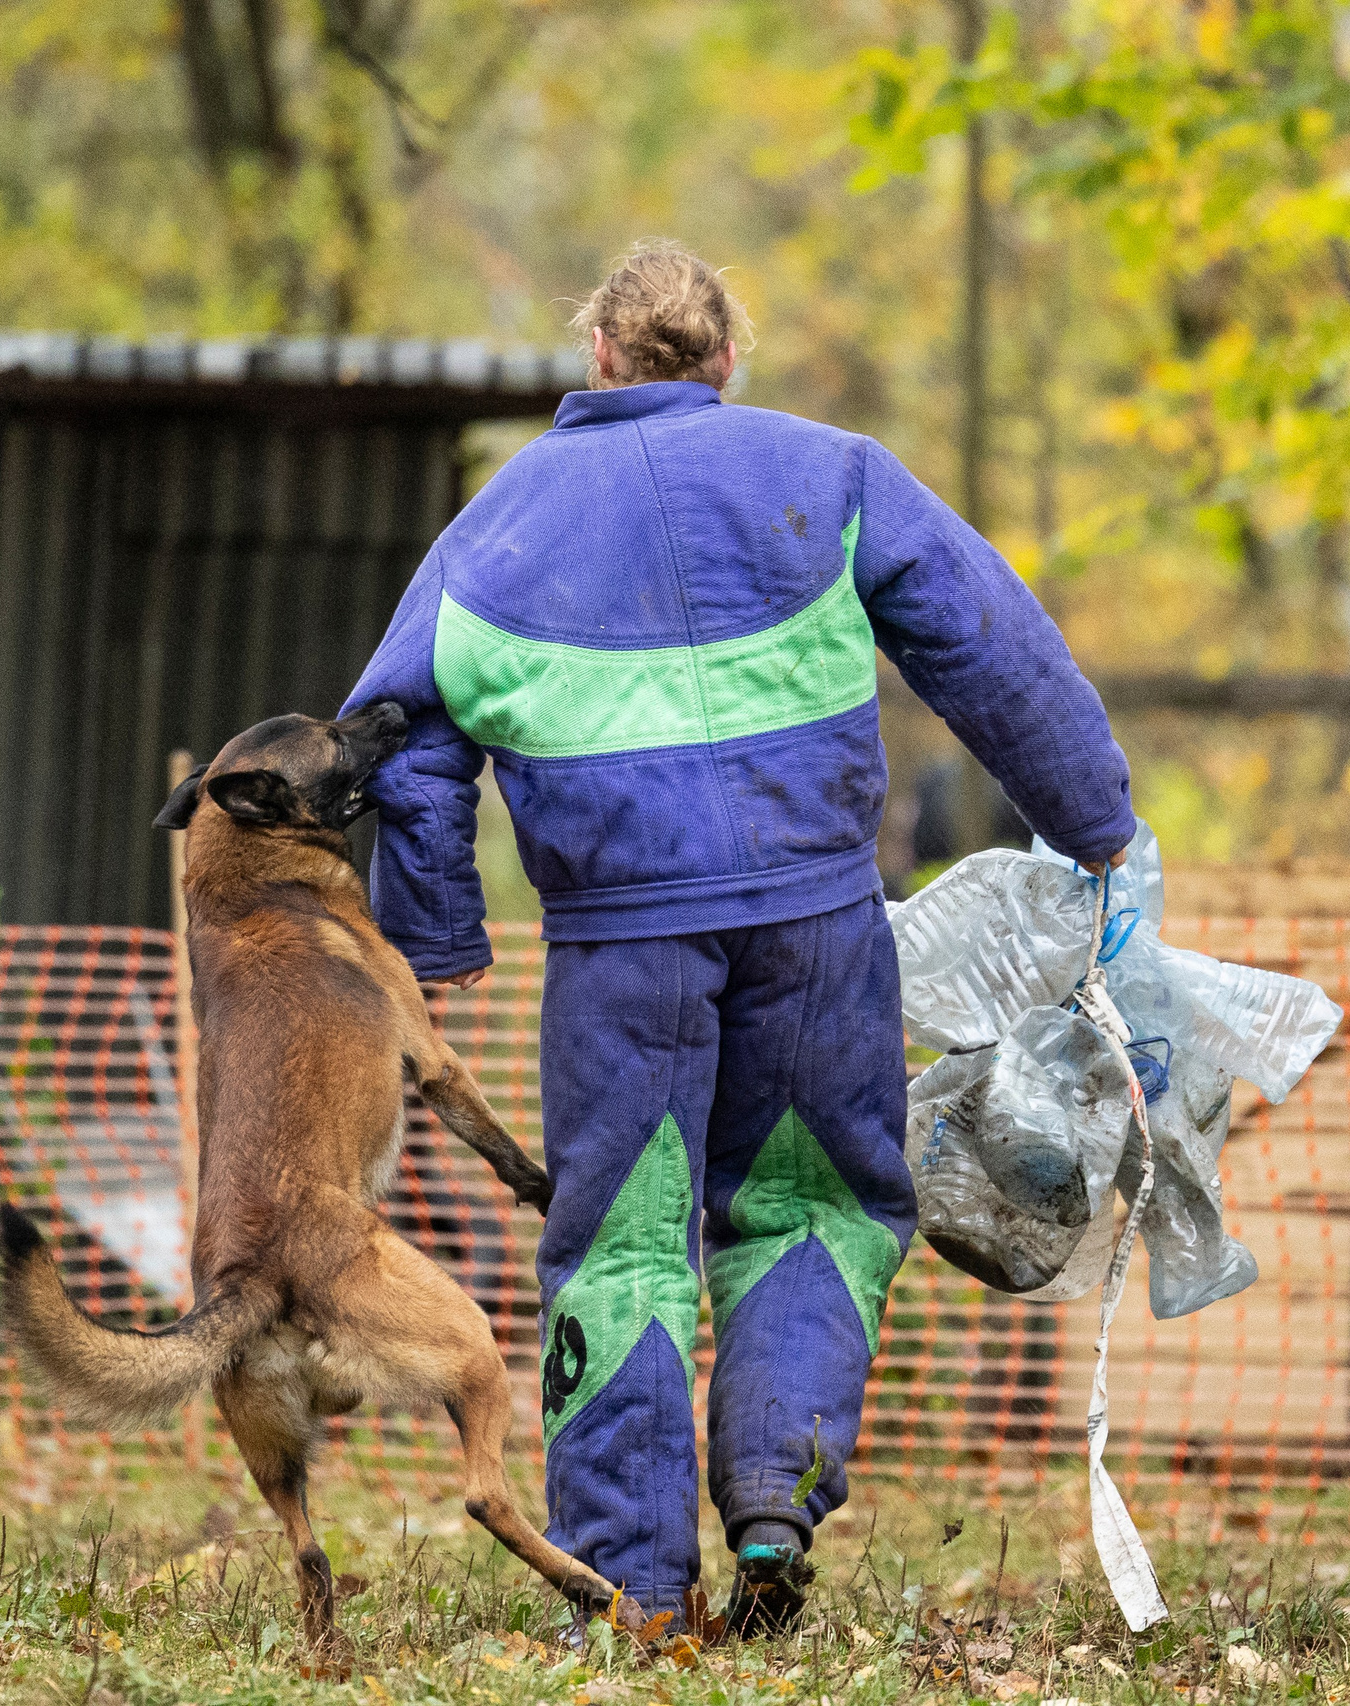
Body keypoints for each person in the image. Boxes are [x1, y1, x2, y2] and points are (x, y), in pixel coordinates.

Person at [342, 240, 1131, 1636]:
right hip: (820, 930)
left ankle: (634, 1583)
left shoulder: (499, 525)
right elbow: (989, 641)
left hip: (619, 954)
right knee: (818, 1208)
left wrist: (437, 930)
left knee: (625, 1246)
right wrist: (1097, 824)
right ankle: (777, 1487)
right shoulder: (830, 473)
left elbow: (397, 737)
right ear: (723, 364)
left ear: (596, 359)